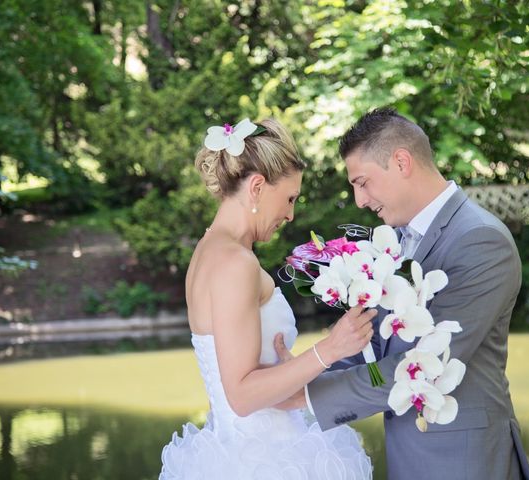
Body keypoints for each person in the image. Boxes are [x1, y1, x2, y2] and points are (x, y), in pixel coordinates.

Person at [276, 107, 529, 480]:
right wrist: (302, 371)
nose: (360, 200)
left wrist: (304, 396)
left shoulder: (480, 240)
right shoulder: (397, 241)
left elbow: (428, 362)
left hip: (463, 460)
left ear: (401, 161)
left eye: (362, 182)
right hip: (409, 454)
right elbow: (378, 354)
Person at [158, 118, 375, 479]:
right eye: (289, 198)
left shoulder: (211, 251)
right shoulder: (233, 262)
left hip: (246, 454)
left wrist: (289, 369)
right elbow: (241, 395)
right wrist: (329, 350)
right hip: (267, 461)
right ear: (257, 186)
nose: (290, 214)